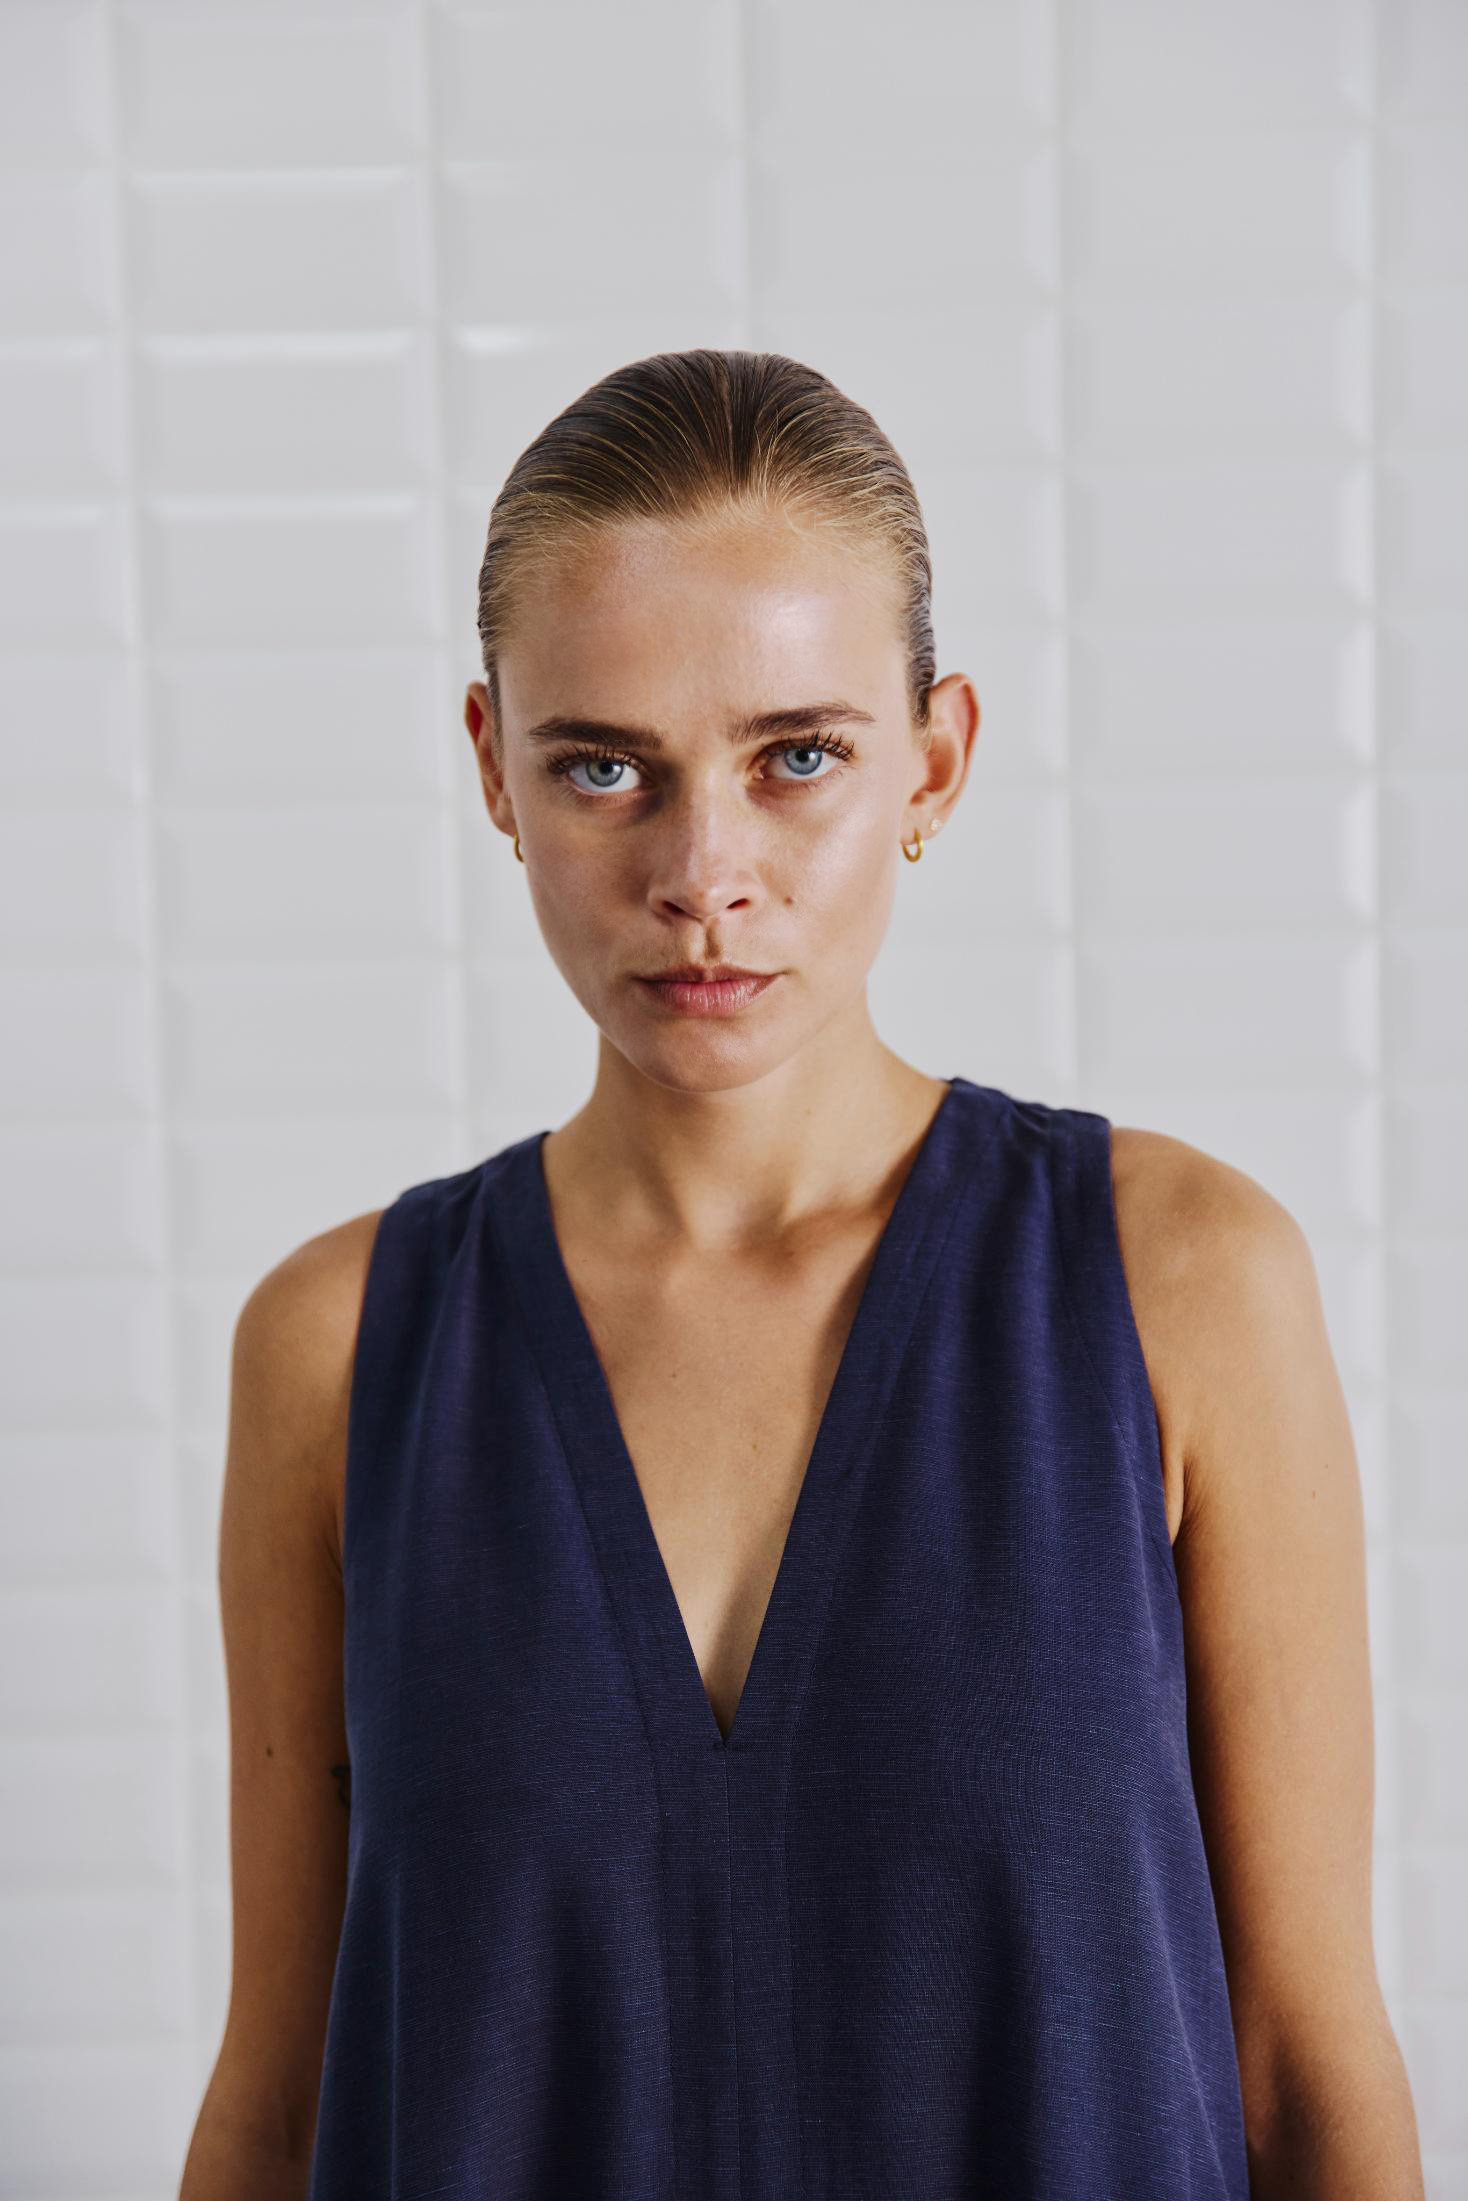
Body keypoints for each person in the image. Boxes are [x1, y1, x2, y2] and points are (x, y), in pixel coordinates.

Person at [180, 350, 1422, 2198]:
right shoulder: (344, 1344)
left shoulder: (1184, 1282)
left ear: (935, 758)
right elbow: (280, 2101)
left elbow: (1306, 2067)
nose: (705, 872)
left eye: (798, 758)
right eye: (605, 766)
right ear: (494, 769)